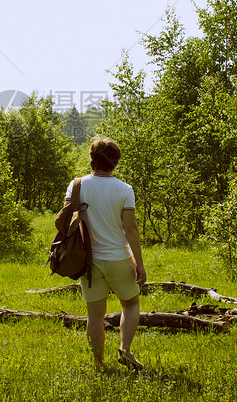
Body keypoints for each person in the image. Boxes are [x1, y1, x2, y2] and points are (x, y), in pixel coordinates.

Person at [65, 136, 147, 370]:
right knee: (130, 304)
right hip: (119, 258)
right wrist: (139, 263)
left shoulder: (76, 185)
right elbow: (130, 229)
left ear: (92, 160)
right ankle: (126, 350)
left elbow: (67, 220)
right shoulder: (124, 189)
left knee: (95, 315)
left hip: (88, 261)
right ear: (115, 162)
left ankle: (99, 364)